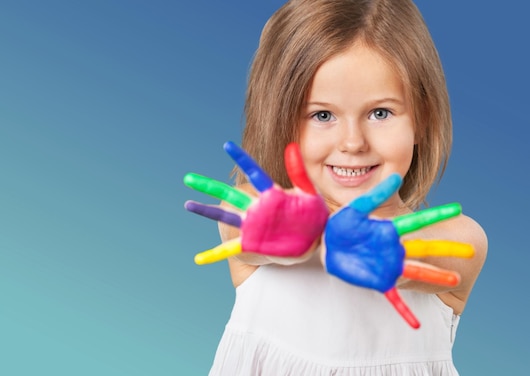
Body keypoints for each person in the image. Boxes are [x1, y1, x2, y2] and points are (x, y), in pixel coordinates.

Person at [202, 0, 488, 374]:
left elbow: (451, 253)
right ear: (281, 120)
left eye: (380, 113)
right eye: (322, 115)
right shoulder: (262, 212)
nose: (353, 142)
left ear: (422, 118)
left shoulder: (453, 237)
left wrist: (386, 253)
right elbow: (243, 220)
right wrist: (290, 230)